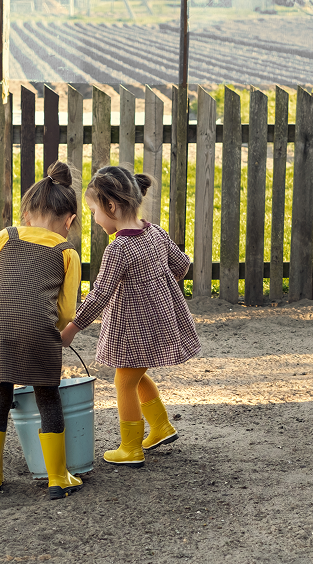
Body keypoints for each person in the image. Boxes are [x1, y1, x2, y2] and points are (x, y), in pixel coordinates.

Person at [61, 165, 199, 468]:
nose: (94, 219)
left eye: (95, 210)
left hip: (135, 328)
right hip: (159, 322)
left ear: (111, 206)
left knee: (124, 381)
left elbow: (99, 294)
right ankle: (161, 426)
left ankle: (131, 447)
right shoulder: (156, 233)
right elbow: (182, 266)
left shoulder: (119, 248)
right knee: (135, 374)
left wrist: (73, 327)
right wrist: (158, 287)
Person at [0, 161, 83, 501]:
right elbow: (65, 311)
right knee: (47, 395)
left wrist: (3, 308)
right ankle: (57, 478)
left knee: (0, 392)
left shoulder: (6, 236)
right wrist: (48, 325)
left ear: (27, 214)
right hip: (39, 329)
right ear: (70, 221)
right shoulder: (67, 252)